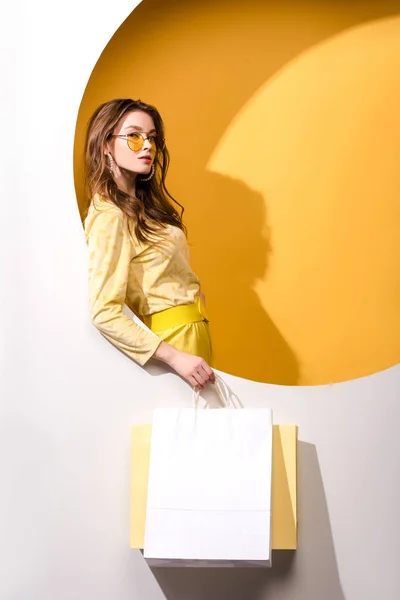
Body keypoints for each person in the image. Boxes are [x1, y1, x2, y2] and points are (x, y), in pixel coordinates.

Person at [83, 98, 215, 390]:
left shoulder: (142, 208)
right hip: (171, 345)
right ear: (106, 144)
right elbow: (104, 311)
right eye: (133, 136)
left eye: (151, 138)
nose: (147, 146)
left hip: (189, 335)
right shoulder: (109, 215)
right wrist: (175, 357)